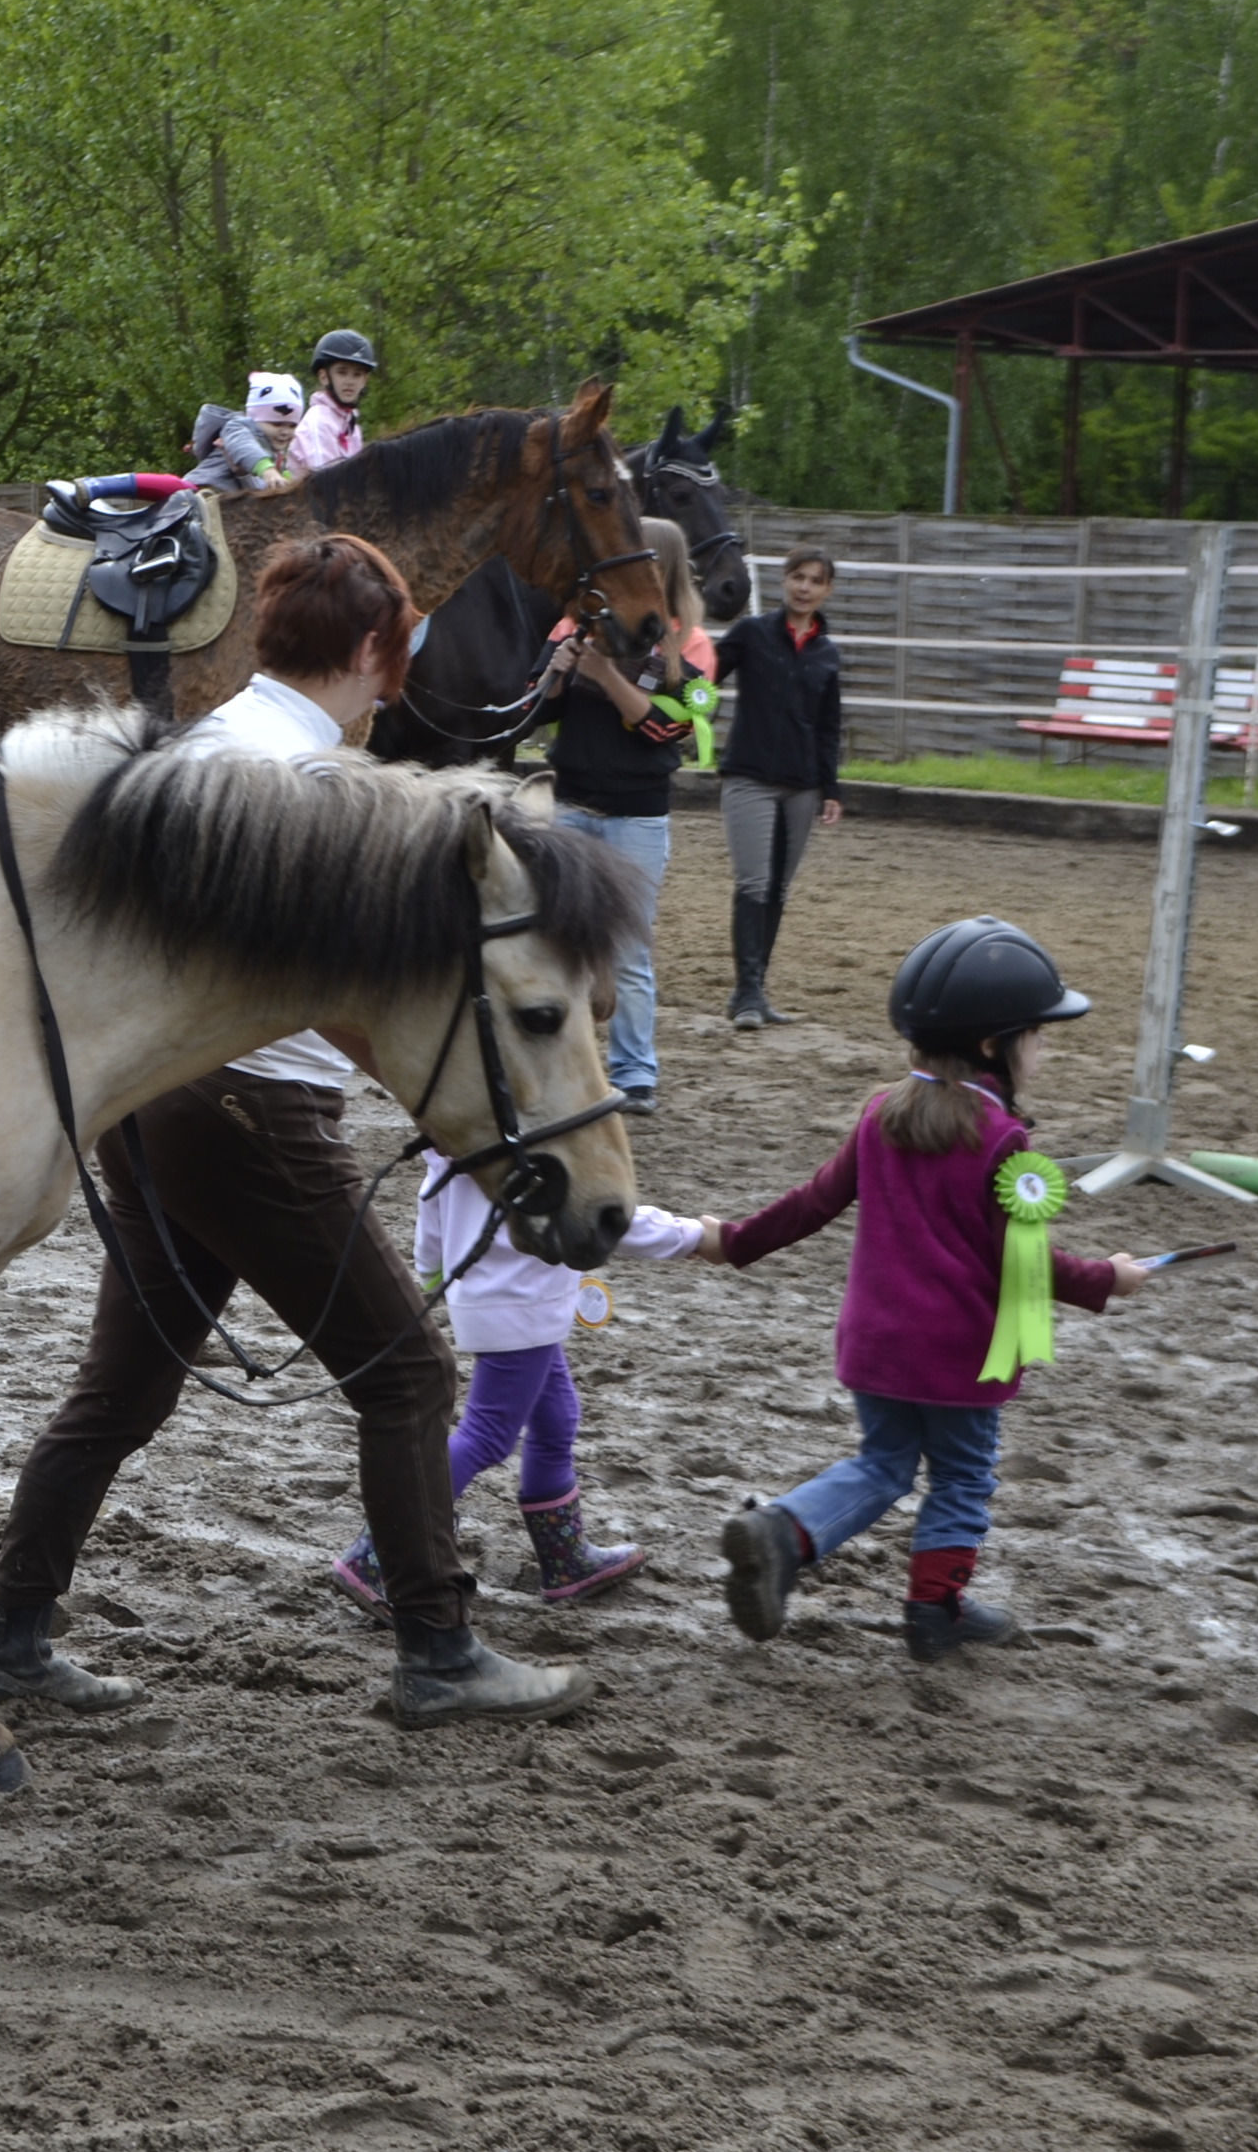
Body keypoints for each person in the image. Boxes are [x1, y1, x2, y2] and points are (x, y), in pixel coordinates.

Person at [0, 532, 596, 1732]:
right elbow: (354, 996)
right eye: (390, 658)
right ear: (369, 651)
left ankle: (10, 1633)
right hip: (253, 1107)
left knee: (123, 1388)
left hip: (155, 1104)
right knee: (407, 1372)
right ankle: (439, 1648)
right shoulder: (302, 782)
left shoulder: (211, 744)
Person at [706, 918, 1159, 1659]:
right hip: (959, 1355)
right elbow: (1029, 1261)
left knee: (882, 1464)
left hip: (876, 1342)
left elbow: (813, 1201)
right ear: (992, 1047)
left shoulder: (881, 1111)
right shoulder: (1004, 1140)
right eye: (1037, 1035)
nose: (1043, 1049)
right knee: (962, 1474)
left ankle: (783, 1530)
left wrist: (736, 1240)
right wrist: (1111, 1279)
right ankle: (935, 1610)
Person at [328, 1154, 709, 1613]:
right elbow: (599, 1213)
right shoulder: (539, 1144)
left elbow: (431, 1203)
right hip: (523, 1301)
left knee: (557, 1418)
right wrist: (694, 1236)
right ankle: (377, 1556)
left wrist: (434, 1272)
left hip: (496, 1299)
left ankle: (565, 1558)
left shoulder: (457, 1142)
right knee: (487, 1437)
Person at [536, 572, 697, 1114]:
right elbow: (536, 715)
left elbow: (660, 730)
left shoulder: (674, 664)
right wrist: (556, 676)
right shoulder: (570, 646)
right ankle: (563, 1065)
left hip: (636, 819)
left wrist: (603, 674)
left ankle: (634, 1073)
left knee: (627, 951)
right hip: (572, 809)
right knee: (559, 945)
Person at [713, 545, 845, 1028]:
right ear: (784, 581)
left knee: (778, 888)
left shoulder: (828, 654)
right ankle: (746, 993)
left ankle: (755, 991)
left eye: (815, 580)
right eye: (798, 577)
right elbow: (704, 675)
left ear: (827, 590)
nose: (805, 587)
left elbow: (829, 727)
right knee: (753, 881)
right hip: (749, 778)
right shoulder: (750, 633)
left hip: (803, 786)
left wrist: (831, 788)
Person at [183, 372, 305, 494]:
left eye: (292, 426)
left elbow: (278, 483)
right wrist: (268, 471)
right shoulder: (237, 427)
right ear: (254, 419)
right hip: (201, 491)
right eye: (276, 424)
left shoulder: (277, 456)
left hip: (231, 501)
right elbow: (244, 446)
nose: (285, 432)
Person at [292, 330, 378, 473]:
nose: (350, 382)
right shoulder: (319, 421)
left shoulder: (352, 428)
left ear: (364, 380)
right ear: (324, 376)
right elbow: (324, 479)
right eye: (341, 372)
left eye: (357, 374)